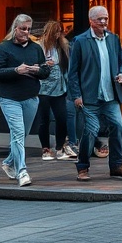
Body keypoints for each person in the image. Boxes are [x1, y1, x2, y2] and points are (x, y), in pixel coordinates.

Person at [67, 5, 122, 181]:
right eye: (100, 19)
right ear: (91, 21)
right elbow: (73, 71)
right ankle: (82, 167)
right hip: (89, 97)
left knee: (118, 127)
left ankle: (116, 165)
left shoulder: (113, 39)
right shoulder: (80, 41)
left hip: (110, 95)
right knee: (91, 131)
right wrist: (76, 95)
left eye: (106, 18)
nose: (104, 22)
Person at [0, 14, 49, 187]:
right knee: (17, 133)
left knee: (22, 135)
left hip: (31, 98)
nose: (26, 32)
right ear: (15, 28)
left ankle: (9, 162)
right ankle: (22, 171)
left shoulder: (36, 48)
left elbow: (46, 72)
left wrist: (37, 70)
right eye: (23, 29)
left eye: (29, 29)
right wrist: (17, 70)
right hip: (9, 98)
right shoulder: (4, 47)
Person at [36, 20, 76, 161]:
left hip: (59, 88)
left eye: (59, 31)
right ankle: (46, 149)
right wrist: (44, 65)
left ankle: (59, 148)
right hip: (43, 88)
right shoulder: (39, 46)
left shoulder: (63, 46)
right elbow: (33, 65)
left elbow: (68, 66)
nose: (57, 34)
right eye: (55, 32)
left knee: (62, 118)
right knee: (44, 119)